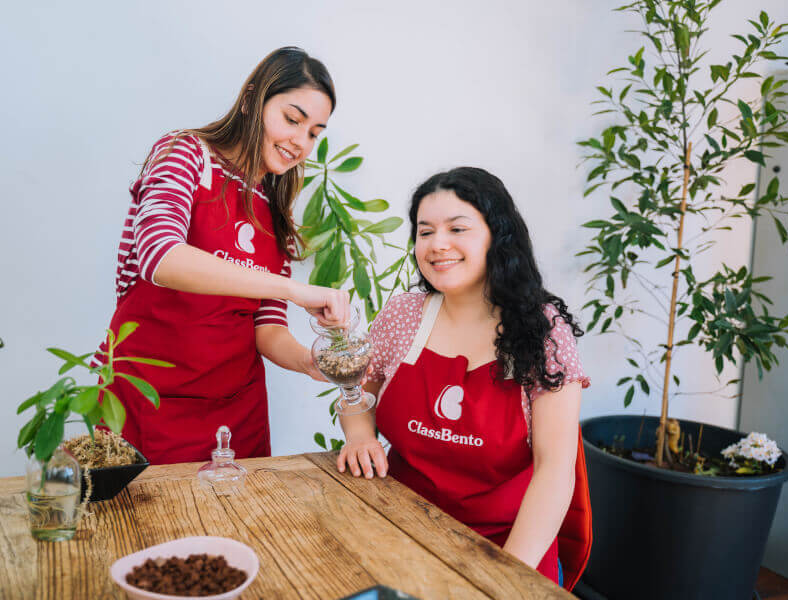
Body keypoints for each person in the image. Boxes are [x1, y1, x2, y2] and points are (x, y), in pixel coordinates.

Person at [336, 167, 592, 589]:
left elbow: (555, 470)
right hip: (399, 531)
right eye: (425, 232)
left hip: (507, 546)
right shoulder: (404, 315)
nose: (438, 245)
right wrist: (360, 434)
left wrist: (504, 579)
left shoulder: (542, 330)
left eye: (457, 228)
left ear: (497, 235)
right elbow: (356, 391)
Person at [96, 47, 349, 465]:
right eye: (292, 120)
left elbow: (266, 327)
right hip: (149, 401)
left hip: (237, 414)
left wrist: (307, 361)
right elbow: (160, 256)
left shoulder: (274, 205)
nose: (300, 143)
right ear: (252, 99)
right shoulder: (185, 154)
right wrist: (293, 289)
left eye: (314, 134)